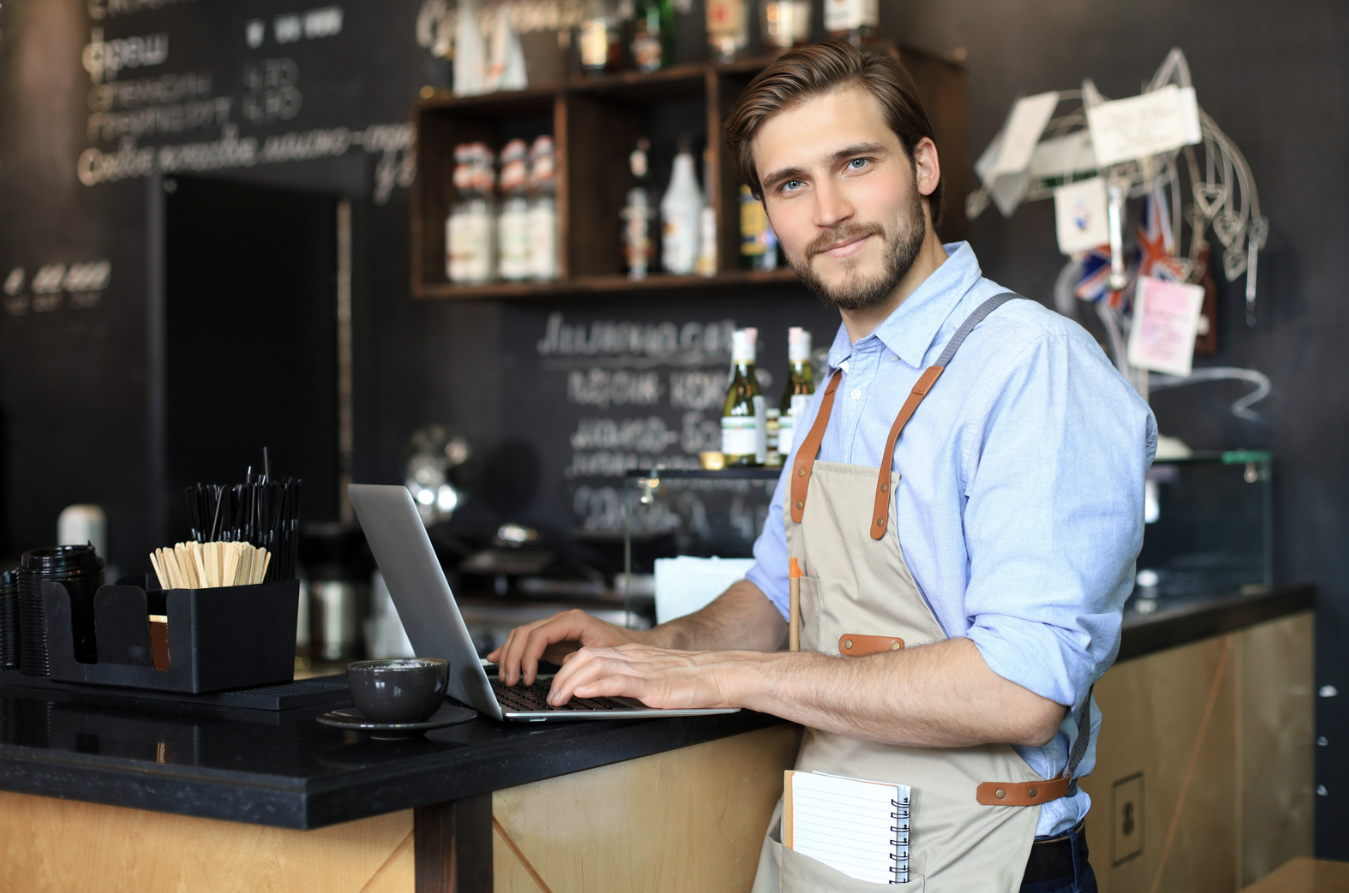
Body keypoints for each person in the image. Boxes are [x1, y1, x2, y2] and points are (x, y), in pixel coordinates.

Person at [489, 41, 1156, 893]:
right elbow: (773, 594)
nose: (829, 210)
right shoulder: (839, 380)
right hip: (829, 855)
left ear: (922, 165)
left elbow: (1019, 685)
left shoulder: (1031, 363)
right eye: (789, 184)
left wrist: (718, 673)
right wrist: (648, 650)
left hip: (986, 861)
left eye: (855, 163)